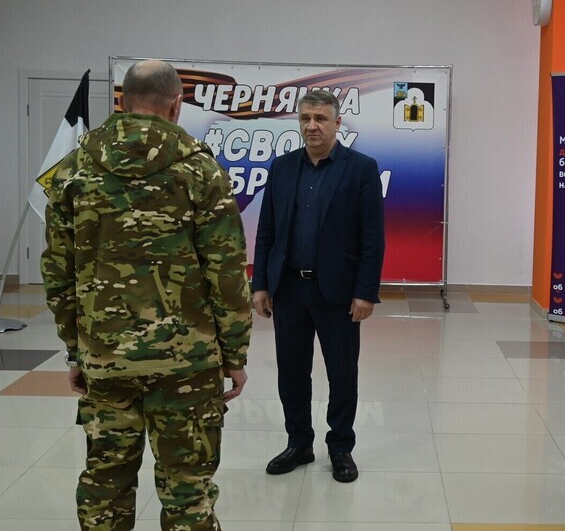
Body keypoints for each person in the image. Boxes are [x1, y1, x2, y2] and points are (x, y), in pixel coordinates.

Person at [41, 60, 251, 531]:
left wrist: (76, 349)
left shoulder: (72, 170)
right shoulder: (201, 170)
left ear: (122, 100)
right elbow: (227, 274)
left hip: (105, 357)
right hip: (187, 364)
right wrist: (234, 355)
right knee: (187, 489)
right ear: (176, 104)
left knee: (106, 483)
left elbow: (57, 272)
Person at [252, 90, 384, 483]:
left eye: (321, 118)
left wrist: (365, 292)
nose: (312, 126)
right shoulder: (282, 167)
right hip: (289, 290)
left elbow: (372, 238)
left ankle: (340, 446)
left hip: (338, 293)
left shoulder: (361, 169)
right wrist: (261, 284)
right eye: (305, 118)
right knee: (292, 373)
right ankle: (299, 443)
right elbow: (267, 232)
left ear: (337, 123)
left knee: (342, 374)